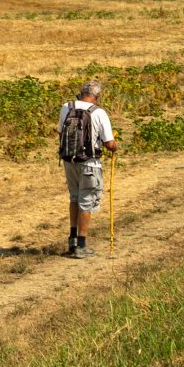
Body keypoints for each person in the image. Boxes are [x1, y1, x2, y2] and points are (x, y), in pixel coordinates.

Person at [55, 77, 117, 258]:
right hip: (89, 164)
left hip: (69, 162)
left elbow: (60, 132)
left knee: (74, 198)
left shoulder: (67, 107)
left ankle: (72, 242)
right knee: (86, 202)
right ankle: (81, 246)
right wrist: (115, 146)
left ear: (82, 93)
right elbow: (109, 143)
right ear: (96, 97)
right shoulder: (99, 113)